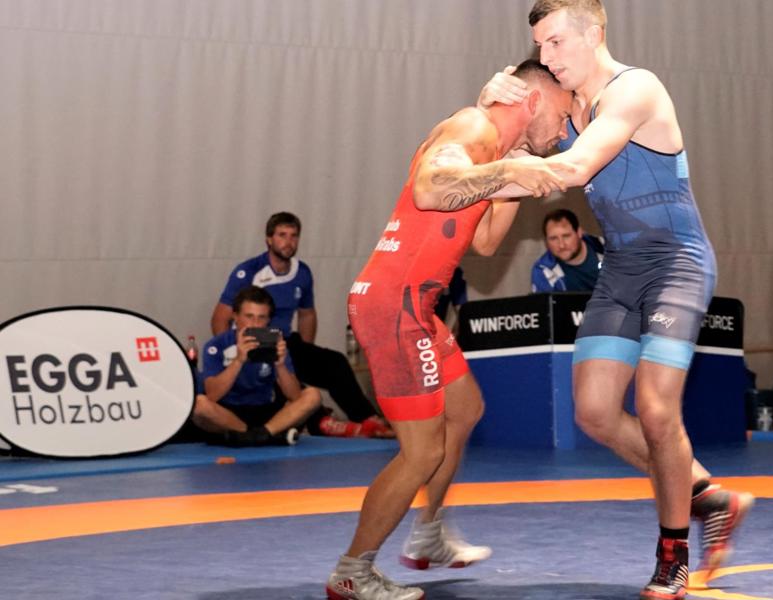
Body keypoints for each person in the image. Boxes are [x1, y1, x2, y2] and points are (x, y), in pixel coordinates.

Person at [478, 2, 754, 596]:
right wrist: (490, 113)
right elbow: (496, 210)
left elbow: (574, 167)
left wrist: (468, 176)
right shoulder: (563, 110)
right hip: (622, 269)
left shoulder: (636, 89)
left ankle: (673, 550)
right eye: (539, 47)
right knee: (596, 411)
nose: (546, 59)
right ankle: (711, 497)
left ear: (594, 34)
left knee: (656, 410)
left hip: (676, 263)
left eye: (554, 43)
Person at [325, 59, 574, 600]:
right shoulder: (473, 127)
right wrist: (510, 170)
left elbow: (483, 242)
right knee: (421, 452)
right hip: (395, 306)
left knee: (464, 410)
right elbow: (430, 188)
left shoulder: (498, 149)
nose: (564, 130)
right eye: (563, 113)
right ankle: (353, 570)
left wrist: (518, 165)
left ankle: (428, 534)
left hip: (415, 307)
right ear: (533, 99)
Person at [212, 212, 393, 439]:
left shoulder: (302, 273)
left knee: (335, 362)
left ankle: (366, 420)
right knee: (280, 380)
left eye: (293, 236)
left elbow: (307, 315)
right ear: (269, 239)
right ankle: (321, 423)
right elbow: (220, 318)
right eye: (282, 235)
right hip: (254, 344)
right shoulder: (248, 271)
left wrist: (304, 354)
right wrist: (232, 351)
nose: (288, 242)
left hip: (285, 342)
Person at [193, 286, 322, 446]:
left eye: (262, 317)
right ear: (235, 317)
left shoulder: (274, 343)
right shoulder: (217, 345)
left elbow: (294, 396)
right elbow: (212, 395)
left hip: (265, 412)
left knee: (312, 395)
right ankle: (260, 436)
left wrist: (280, 365)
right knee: (200, 404)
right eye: (249, 316)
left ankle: (257, 435)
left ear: (269, 320)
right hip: (229, 413)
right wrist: (238, 360)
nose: (255, 323)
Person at [531, 207, 604, 292]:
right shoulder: (544, 270)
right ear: (546, 241)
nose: (561, 245)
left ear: (579, 233)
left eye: (566, 236)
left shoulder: (609, 249)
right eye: (553, 238)